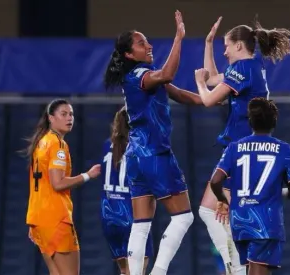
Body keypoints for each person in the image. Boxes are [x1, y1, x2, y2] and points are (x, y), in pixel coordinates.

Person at [103, 11, 202, 275]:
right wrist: (179, 38)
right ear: (128, 54)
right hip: (154, 153)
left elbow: (179, 94)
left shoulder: (142, 76)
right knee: (183, 217)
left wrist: (213, 97)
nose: (148, 46)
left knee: (141, 223)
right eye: (141, 43)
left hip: (135, 156)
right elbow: (168, 75)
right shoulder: (139, 76)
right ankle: (158, 271)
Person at [194, 17, 290, 275]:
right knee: (214, 211)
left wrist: (199, 83)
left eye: (226, 46)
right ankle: (236, 265)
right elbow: (216, 77)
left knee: (212, 211)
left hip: (239, 150)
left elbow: (208, 97)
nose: (224, 51)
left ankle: (236, 267)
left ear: (239, 46)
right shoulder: (253, 66)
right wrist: (208, 44)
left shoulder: (243, 69)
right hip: (245, 149)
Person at [209, 98, 290, 275]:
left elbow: (215, 181)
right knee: (258, 269)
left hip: (239, 219)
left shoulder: (234, 147)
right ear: (274, 122)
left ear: (250, 121)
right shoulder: (284, 149)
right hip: (266, 221)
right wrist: (278, 192)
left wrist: (222, 200)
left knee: (255, 268)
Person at [24, 99, 101, 275]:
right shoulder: (58, 145)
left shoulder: (41, 142)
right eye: (64, 114)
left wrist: (37, 222)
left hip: (39, 218)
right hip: (56, 218)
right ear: (51, 118)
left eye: (71, 114)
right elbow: (57, 183)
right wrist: (87, 175)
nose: (69, 118)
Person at [101, 106, 154, 275]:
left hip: (108, 215)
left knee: (125, 271)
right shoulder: (140, 147)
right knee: (139, 270)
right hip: (132, 214)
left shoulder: (107, 145)